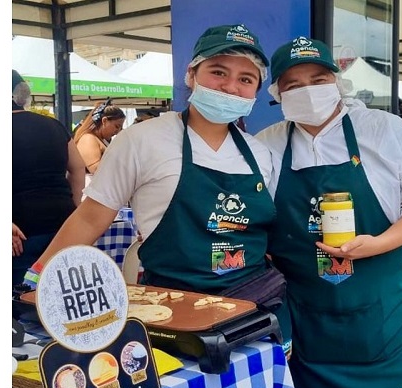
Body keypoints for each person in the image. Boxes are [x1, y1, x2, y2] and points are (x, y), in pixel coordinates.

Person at [22, 24, 285, 311]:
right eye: (218, 72)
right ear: (191, 74)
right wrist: (36, 279)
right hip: (171, 306)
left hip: (253, 304)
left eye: (246, 79)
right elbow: (89, 219)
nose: (230, 86)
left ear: (256, 91)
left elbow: (267, 231)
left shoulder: (260, 153)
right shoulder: (141, 140)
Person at [256, 36, 402, 388]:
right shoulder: (267, 143)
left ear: (337, 81)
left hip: (381, 319)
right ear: (277, 92)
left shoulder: (383, 129)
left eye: (318, 80)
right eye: (293, 84)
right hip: (307, 321)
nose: (308, 90)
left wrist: (379, 243)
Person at [12, 69, 86, 287]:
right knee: (60, 296)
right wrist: (74, 206)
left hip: (21, 235)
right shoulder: (54, 125)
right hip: (62, 225)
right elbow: (78, 168)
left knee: (22, 305)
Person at [73, 100, 126, 175]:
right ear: (104, 121)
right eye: (117, 126)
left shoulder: (98, 139)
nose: (118, 131)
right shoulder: (88, 139)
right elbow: (95, 168)